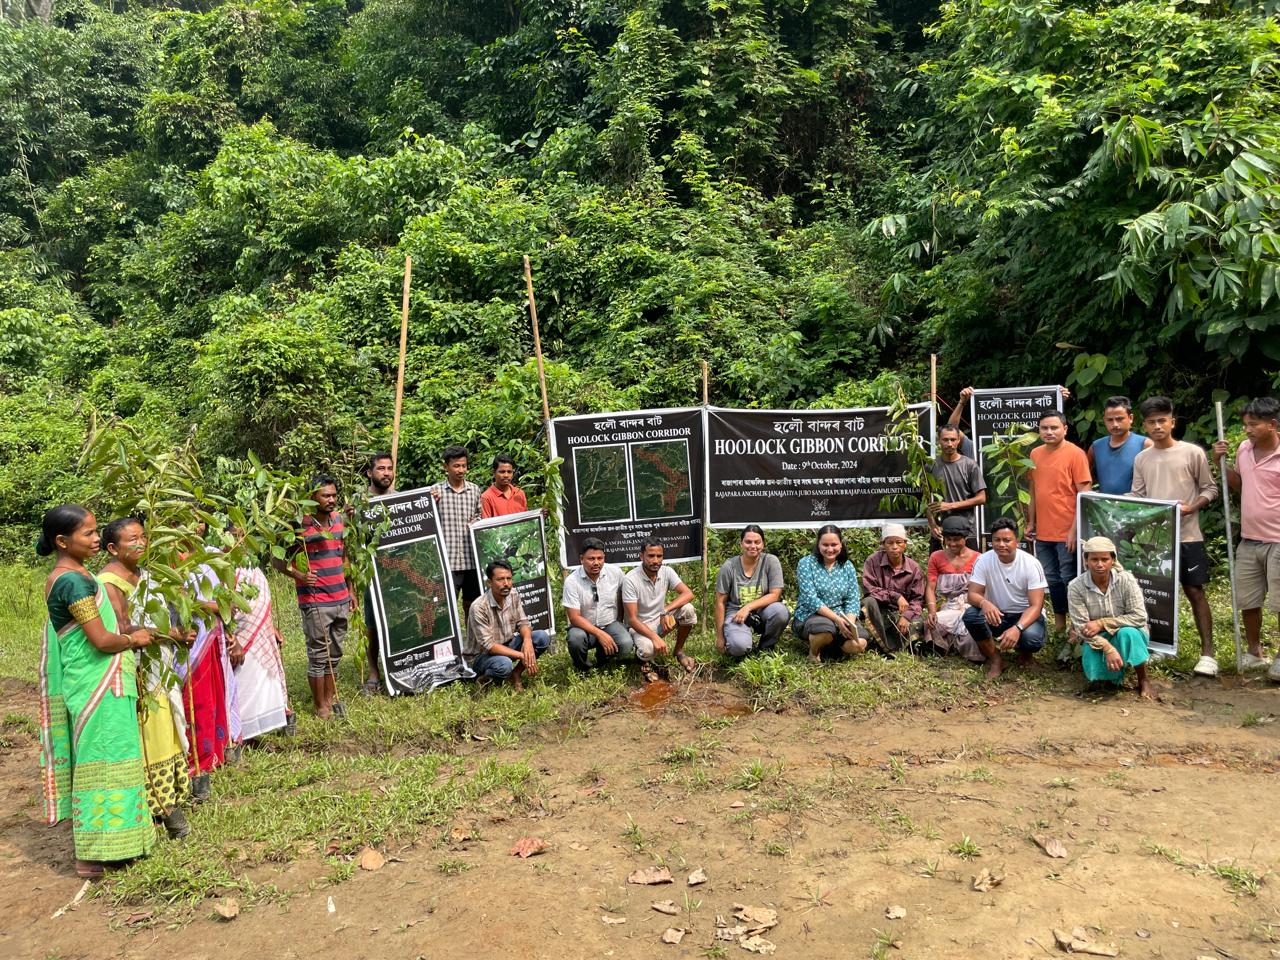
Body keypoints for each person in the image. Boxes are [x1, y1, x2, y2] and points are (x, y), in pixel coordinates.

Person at [36, 505, 156, 879]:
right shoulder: (71, 582)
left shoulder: (79, 576)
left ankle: (120, 845)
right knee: (100, 765)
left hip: (102, 683)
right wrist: (133, 640)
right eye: (87, 534)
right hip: (96, 685)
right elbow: (102, 640)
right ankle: (91, 854)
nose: (94, 539)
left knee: (115, 760)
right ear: (61, 541)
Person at [99, 518, 191, 840]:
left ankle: (171, 796)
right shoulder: (109, 581)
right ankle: (158, 805)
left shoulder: (147, 575)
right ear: (113, 548)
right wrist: (171, 634)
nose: (140, 544)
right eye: (131, 540)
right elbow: (122, 628)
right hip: (137, 665)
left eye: (143, 537)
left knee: (163, 725)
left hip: (159, 662)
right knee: (148, 731)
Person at [1130, 396, 1219, 676]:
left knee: (1194, 591)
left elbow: (1210, 489)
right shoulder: (1142, 458)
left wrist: (1193, 507)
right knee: (1154, 594)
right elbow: (1138, 496)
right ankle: (1159, 646)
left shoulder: (1192, 453)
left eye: (1162, 420)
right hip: (1154, 540)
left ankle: (1208, 654)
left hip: (1188, 535)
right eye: (1151, 422)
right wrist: (1110, 501)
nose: (1157, 426)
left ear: (1172, 422)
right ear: (1144, 425)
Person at [1213, 396, 1280, 677]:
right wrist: (1220, 463)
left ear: (1273, 424)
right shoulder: (1242, 449)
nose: (1248, 430)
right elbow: (1240, 485)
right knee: (1249, 600)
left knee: (1279, 603)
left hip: (1278, 540)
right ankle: (1255, 653)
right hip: (1249, 539)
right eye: (1245, 425)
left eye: (1253, 425)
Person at [274, 474, 351, 718]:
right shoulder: (299, 525)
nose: (331, 500)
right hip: (315, 600)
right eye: (325, 495)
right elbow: (278, 561)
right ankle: (320, 707)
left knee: (336, 653)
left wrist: (351, 593)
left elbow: (344, 557)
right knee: (319, 654)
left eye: (334, 495)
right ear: (311, 498)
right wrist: (299, 575)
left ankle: (330, 699)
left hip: (340, 597)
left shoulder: (340, 521)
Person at [1027, 410, 1092, 633]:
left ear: (1065, 429)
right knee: (1052, 579)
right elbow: (1034, 492)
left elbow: (1084, 495)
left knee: (1070, 579)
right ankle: (1060, 623)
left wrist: (1074, 530)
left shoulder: (1076, 454)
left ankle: (1077, 624)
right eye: (1044, 428)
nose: (1049, 432)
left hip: (1068, 531)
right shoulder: (1034, 454)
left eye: (1054, 427)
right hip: (1043, 532)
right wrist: (1030, 522)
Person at [1067, 537, 1154, 699]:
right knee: (1097, 676)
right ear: (1086, 561)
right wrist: (1108, 648)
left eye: (1105, 559)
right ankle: (1110, 676)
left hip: (1128, 631)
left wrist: (1101, 623)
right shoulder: (1075, 587)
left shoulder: (1126, 580)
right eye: (1094, 559)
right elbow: (1081, 628)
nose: (1100, 564)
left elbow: (1139, 617)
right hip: (1096, 636)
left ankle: (1143, 678)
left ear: (1113, 560)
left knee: (1128, 633)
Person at [964, 517, 1049, 678]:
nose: (1001, 544)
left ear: (1016, 541)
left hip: (1025, 615)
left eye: (1007, 540)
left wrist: (1018, 628)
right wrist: (984, 603)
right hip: (997, 615)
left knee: (1032, 639)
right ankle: (996, 659)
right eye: (997, 540)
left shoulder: (1031, 563)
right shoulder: (983, 560)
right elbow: (972, 594)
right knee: (971, 616)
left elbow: (1036, 606)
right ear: (991, 541)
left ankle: (1025, 654)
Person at [230, 550, 293, 740]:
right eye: (233, 536)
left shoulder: (253, 568)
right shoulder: (223, 568)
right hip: (238, 638)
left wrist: (270, 626)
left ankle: (276, 719)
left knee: (266, 682)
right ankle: (242, 732)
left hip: (262, 636)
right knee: (244, 686)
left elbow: (261, 602)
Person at [464, 560, 550, 690]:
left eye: (509, 578)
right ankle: (485, 680)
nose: (506, 583)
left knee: (541, 637)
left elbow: (523, 622)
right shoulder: (479, 607)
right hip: (481, 656)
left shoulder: (513, 595)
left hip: (507, 644)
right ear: (489, 583)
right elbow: (489, 646)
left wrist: (527, 642)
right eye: (500, 579)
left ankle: (515, 674)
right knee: (504, 664)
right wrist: (524, 655)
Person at [622, 540, 698, 676]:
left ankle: (678, 651)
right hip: (639, 627)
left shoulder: (667, 571)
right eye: (651, 556)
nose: (656, 560)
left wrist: (666, 610)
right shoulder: (631, 579)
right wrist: (654, 638)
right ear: (641, 556)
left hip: (660, 621)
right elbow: (632, 620)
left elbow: (688, 593)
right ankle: (642, 660)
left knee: (688, 609)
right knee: (647, 651)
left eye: (659, 556)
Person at [792, 524, 867, 662]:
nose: (830, 549)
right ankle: (814, 652)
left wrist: (849, 622)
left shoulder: (847, 565)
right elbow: (810, 599)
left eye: (834, 544)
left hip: (842, 614)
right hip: (812, 614)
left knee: (860, 644)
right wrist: (837, 619)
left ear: (841, 545)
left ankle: (833, 644)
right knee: (824, 629)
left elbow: (853, 598)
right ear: (818, 545)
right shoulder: (806, 563)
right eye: (825, 545)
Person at [713, 525, 789, 658]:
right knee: (738, 647)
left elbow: (775, 595)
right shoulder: (729, 566)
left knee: (781, 612)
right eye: (748, 542)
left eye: (757, 542)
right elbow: (720, 602)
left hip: (763, 610)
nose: (753, 546)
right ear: (741, 544)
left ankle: (766, 647)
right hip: (736, 613)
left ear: (763, 544)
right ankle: (741, 642)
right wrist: (719, 637)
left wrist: (748, 607)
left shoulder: (771, 561)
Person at [562, 538, 633, 671]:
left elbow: (624, 595)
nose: (596, 563)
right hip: (584, 629)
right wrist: (600, 634)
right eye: (591, 559)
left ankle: (603, 660)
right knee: (575, 639)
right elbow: (574, 617)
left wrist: (620, 621)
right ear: (581, 559)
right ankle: (583, 668)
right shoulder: (572, 581)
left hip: (609, 623)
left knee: (626, 643)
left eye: (600, 558)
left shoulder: (615, 573)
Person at [430, 445, 483, 614]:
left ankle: (472, 640)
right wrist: (430, 502)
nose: (461, 470)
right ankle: (451, 641)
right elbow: (429, 522)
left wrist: (476, 521)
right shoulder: (435, 491)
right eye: (456, 466)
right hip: (447, 561)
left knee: (473, 606)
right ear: (446, 467)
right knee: (446, 607)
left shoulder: (474, 490)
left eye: (464, 466)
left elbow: (480, 516)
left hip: (471, 560)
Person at [924, 516, 984, 662]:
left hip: (972, 605)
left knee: (972, 629)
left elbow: (984, 590)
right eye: (948, 539)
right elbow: (930, 588)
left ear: (965, 538)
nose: (952, 543)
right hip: (949, 606)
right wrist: (932, 611)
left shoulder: (979, 558)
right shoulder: (936, 557)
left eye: (956, 539)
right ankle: (947, 647)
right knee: (931, 624)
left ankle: (969, 652)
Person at [360, 451, 395, 696]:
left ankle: (399, 665)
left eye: (389, 468)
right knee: (372, 624)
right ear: (370, 473)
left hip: (398, 568)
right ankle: (373, 671)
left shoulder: (401, 498)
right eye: (381, 469)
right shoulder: (359, 501)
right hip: (371, 571)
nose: (386, 473)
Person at [862, 523, 926, 654]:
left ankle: (891, 646)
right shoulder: (873, 561)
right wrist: (896, 596)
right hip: (879, 613)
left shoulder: (914, 567)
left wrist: (907, 617)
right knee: (868, 602)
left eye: (899, 542)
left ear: (905, 544)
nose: (894, 547)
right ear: (883, 544)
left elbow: (918, 599)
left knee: (918, 622)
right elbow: (869, 589)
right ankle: (882, 642)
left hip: (901, 614)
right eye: (889, 543)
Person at [927, 425, 985, 549]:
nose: (949, 444)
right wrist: (932, 525)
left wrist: (950, 505)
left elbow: (981, 498)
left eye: (953, 440)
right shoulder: (930, 466)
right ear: (938, 440)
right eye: (945, 440)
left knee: (970, 568)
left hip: (966, 532)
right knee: (939, 567)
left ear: (958, 440)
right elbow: (926, 500)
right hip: (941, 531)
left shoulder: (970, 465)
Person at [1087, 396, 1151, 495]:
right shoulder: (1096, 447)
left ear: (1130, 418)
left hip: (1136, 507)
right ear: (1104, 420)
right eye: (1110, 420)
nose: (1115, 424)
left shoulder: (1145, 445)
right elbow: (1086, 479)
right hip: (1104, 507)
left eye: (1119, 419)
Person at [480, 454, 529, 518]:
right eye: (502, 472)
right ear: (494, 473)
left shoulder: (520, 493)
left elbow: (526, 520)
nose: (506, 475)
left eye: (509, 472)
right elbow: (486, 526)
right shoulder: (486, 498)